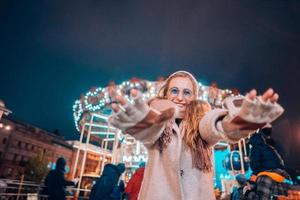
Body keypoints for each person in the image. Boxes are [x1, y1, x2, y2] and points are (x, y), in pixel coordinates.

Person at [109, 71, 284, 200]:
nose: (180, 97)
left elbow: (214, 127)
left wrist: (234, 124)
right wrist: (143, 122)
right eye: (174, 91)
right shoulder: (159, 123)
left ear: (194, 98)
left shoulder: (201, 122)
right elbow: (149, 132)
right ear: (166, 93)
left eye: (186, 93)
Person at [246, 125, 290, 199]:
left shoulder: (257, 146)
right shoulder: (271, 147)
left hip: (267, 175)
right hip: (282, 175)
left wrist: (248, 193)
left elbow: (254, 166)